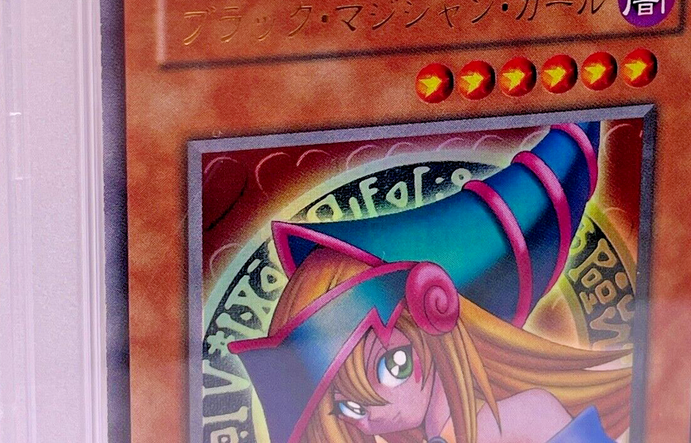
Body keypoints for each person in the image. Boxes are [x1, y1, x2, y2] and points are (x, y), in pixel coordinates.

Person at [230, 122, 632, 443]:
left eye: (392, 367)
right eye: (351, 408)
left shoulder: (527, 417)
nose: (372, 417)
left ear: (437, 328)